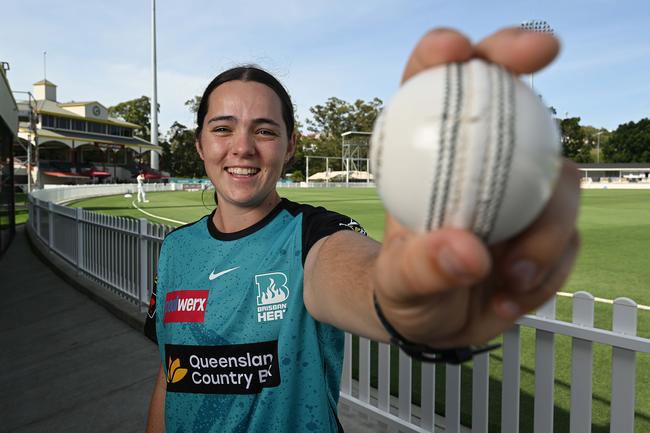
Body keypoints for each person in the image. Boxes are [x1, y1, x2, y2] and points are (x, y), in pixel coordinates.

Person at [144, 27, 580, 433]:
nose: (243, 147)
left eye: (265, 130)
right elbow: (169, 375)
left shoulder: (311, 235)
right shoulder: (176, 249)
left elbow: (350, 271)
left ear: (291, 145)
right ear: (200, 143)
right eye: (223, 128)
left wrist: (401, 300)